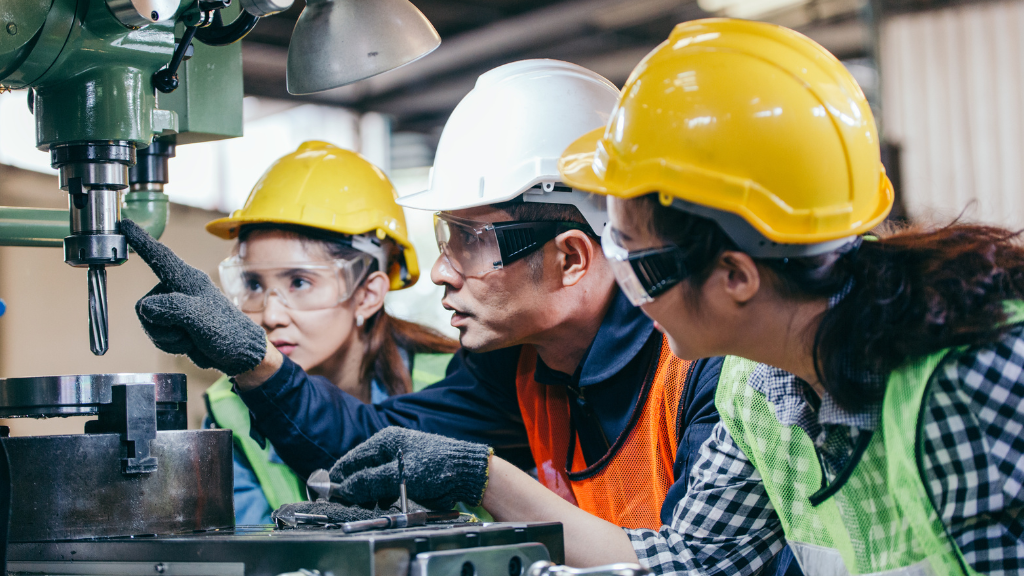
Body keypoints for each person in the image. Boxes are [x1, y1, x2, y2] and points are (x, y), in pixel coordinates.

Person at [119, 60, 787, 570]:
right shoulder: (516, 364)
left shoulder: (707, 371)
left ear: (572, 259)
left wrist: (483, 476)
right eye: (446, 237)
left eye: (471, 239)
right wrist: (252, 358)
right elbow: (373, 445)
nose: (440, 270)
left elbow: (692, 563)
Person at [553, 18, 1024, 576]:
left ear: (736, 275)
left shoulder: (968, 373)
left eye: (636, 260)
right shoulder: (757, 391)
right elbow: (697, 561)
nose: (628, 292)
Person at [201, 141, 458, 525]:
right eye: (254, 284)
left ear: (368, 294)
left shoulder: (450, 383)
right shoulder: (230, 408)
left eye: (300, 282)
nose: (271, 315)